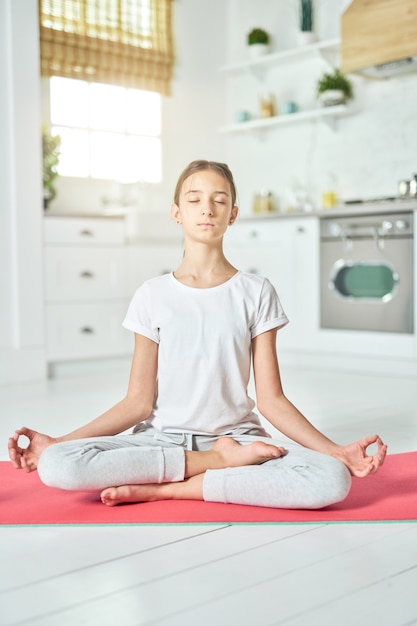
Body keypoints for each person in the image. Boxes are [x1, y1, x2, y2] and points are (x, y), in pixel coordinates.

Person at [8, 160, 387, 509]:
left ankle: (173, 486)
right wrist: (58, 444)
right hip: (160, 440)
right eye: (194, 200)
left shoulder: (256, 291)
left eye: (219, 201)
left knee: (330, 479)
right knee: (59, 465)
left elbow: (271, 400)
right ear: (177, 213)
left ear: (232, 214)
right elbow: (137, 404)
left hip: (238, 440)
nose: (207, 209)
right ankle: (211, 465)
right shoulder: (152, 295)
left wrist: (336, 452)